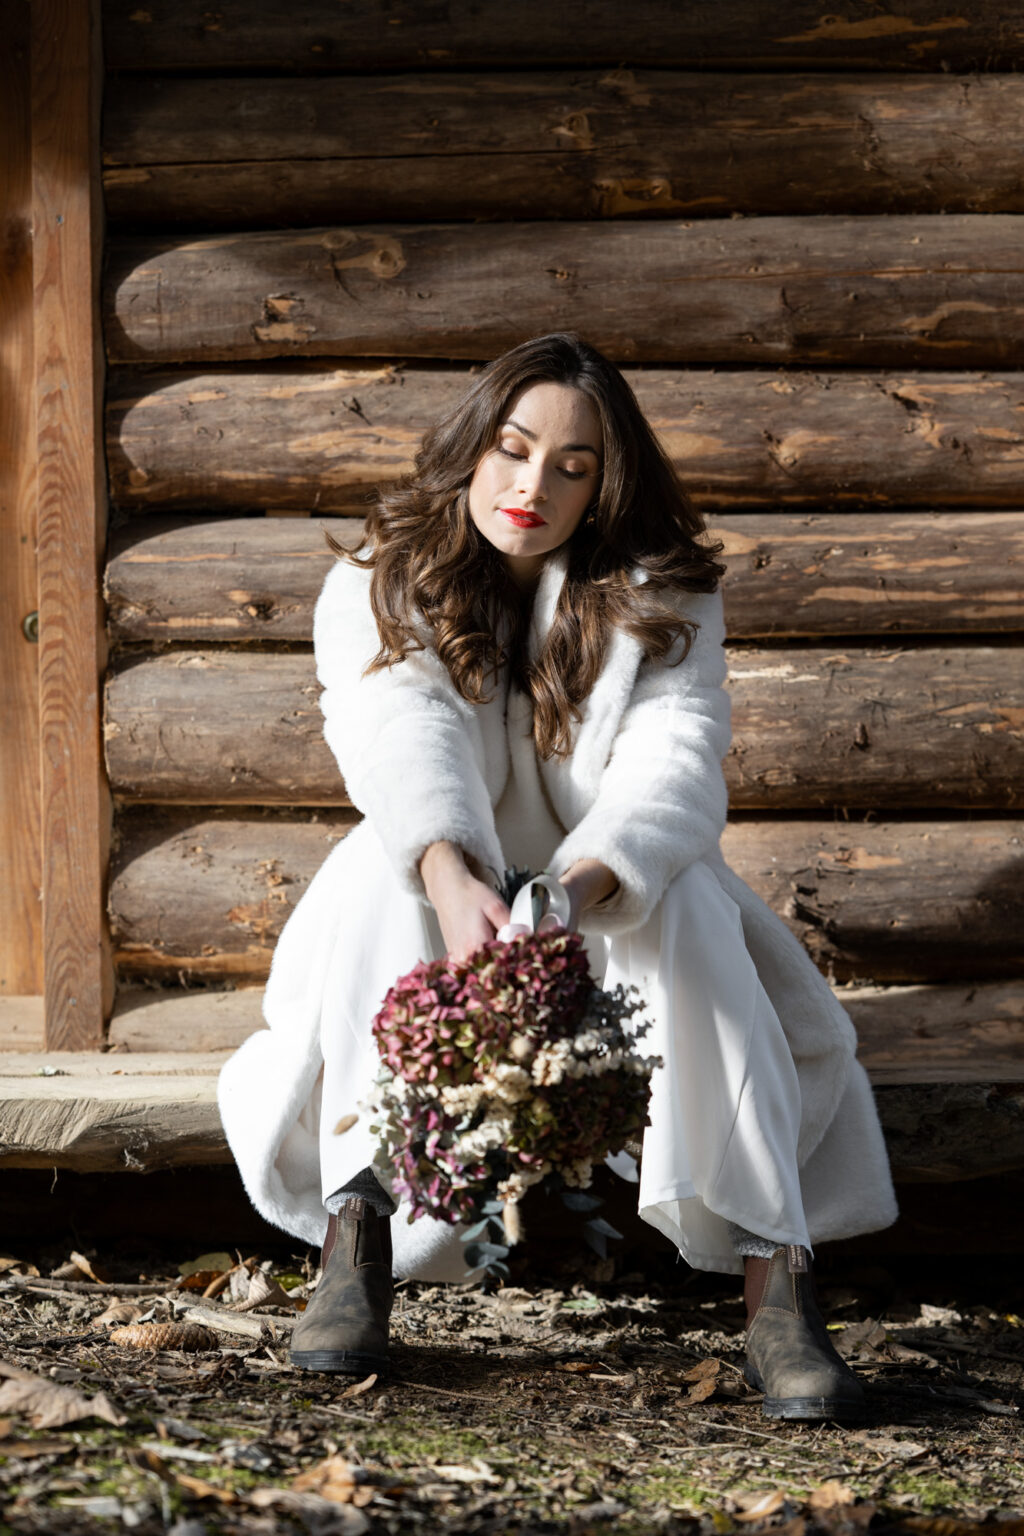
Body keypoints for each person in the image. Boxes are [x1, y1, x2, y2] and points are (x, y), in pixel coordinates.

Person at [218, 333, 897, 1420]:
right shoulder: (381, 577)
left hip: (600, 891)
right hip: (447, 879)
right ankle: (359, 1229)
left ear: (603, 484)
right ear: (472, 447)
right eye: (512, 449)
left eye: (571, 467)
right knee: (375, 883)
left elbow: (674, 763)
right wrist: (450, 876)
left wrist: (581, 888)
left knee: (695, 921)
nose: (533, 487)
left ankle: (779, 1287)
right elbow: (394, 734)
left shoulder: (661, 591)